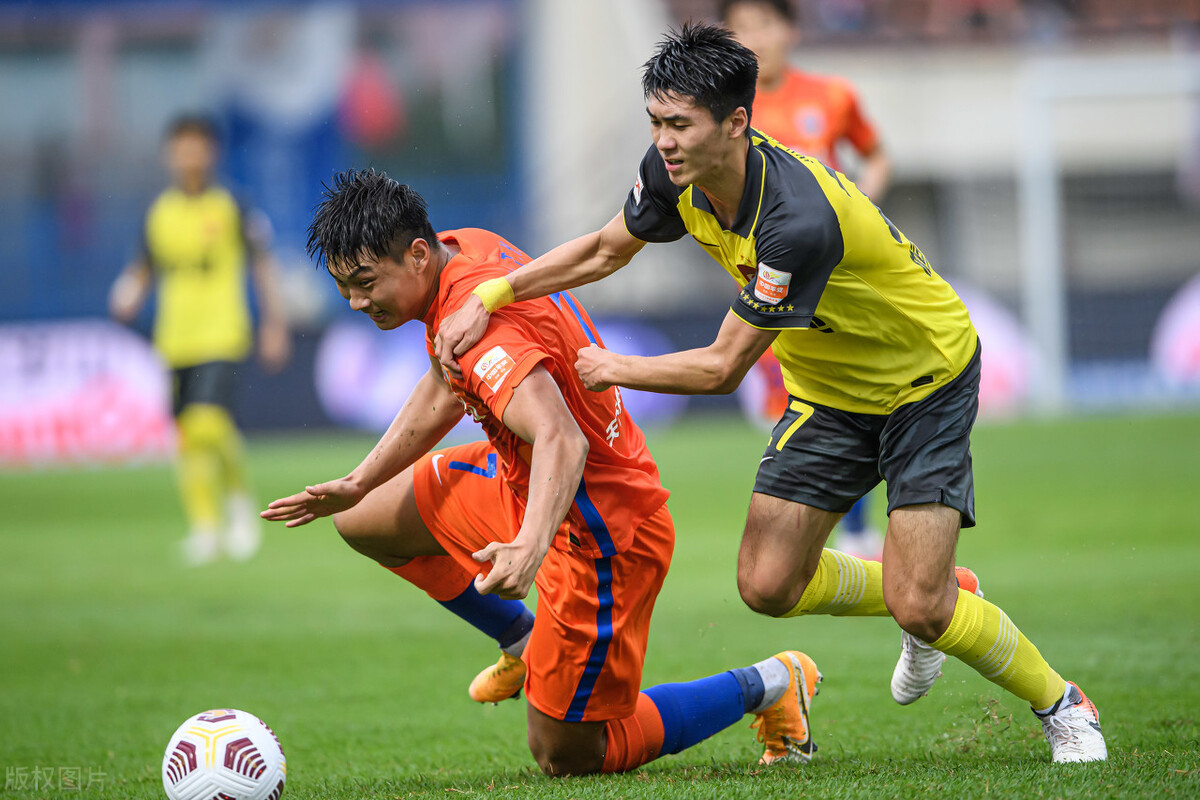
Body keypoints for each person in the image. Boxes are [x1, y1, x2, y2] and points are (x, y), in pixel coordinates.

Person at [434, 23, 1106, 764]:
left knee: (921, 605)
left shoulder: (797, 221)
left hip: (924, 379)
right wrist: (496, 290)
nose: (663, 141)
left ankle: (1063, 703)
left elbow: (723, 367)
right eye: (656, 122)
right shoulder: (672, 175)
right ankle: (943, 587)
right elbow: (601, 249)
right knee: (766, 583)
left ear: (737, 124)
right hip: (830, 392)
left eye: (679, 124)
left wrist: (614, 366)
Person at [260, 169, 823, 775]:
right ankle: (522, 642)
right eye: (345, 286)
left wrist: (528, 548)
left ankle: (770, 684)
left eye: (366, 283)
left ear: (417, 254)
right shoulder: (464, 249)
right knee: (363, 519)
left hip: (599, 530)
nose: (356, 302)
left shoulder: (480, 328)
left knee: (565, 754)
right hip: (520, 484)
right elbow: (446, 383)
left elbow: (562, 437)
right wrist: (358, 481)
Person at [722, 0, 890, 560]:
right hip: (772, 283)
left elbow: (877, 155)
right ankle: (819, 522)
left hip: (841, 275)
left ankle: (858, 531)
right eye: (740, 28)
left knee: (854, 391)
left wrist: (862, 209)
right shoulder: (726, 113)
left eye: (764, 24)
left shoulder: (833, 96)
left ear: (789, 30)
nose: (754, 38)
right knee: (797, 404)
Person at [109, 113, 291, 566]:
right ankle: (206, 530)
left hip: (222, 333)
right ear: (169, 154)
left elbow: (263, 266)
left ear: (211, 151)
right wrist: (129, 290)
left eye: (197, 145)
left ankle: (239, 504)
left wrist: (274, 322)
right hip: (175, 338)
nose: (189, 155)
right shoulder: (160, 212)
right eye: (181, 146)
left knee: (207, 423)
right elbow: (144, 266)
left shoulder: (233, 205)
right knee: (188, 436)